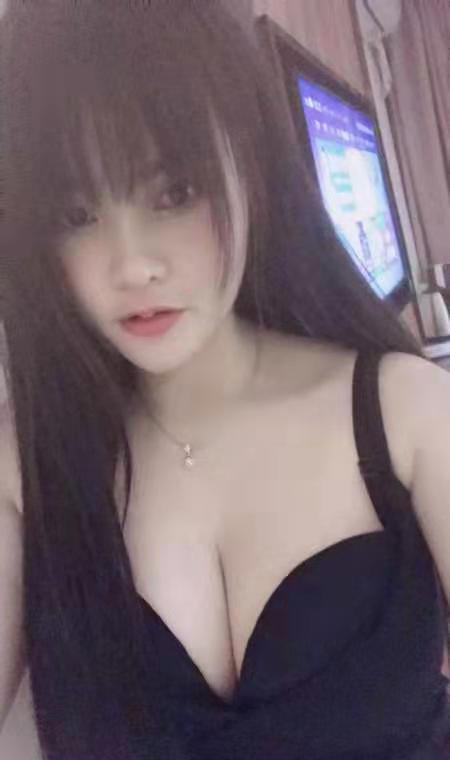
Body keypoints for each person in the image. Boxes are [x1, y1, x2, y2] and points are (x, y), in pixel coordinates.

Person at [0, 2, 449, 759]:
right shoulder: (26, 468)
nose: (132, 265)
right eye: (75, 214)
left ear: (251, 166)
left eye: (174, 193)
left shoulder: (405, 411)